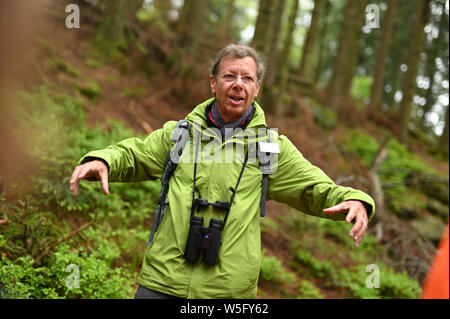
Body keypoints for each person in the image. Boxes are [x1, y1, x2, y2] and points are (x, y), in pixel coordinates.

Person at [69, 44, 375, 299]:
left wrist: (355, 200)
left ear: (257, 88)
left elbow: (313, 187)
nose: (238, 84)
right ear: (213, 82)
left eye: (247, 78)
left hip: (229, 292)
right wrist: (103, 160)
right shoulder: (179, 134)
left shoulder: (271, 147)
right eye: (229, 76)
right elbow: (135, 154)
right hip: (162, 282)